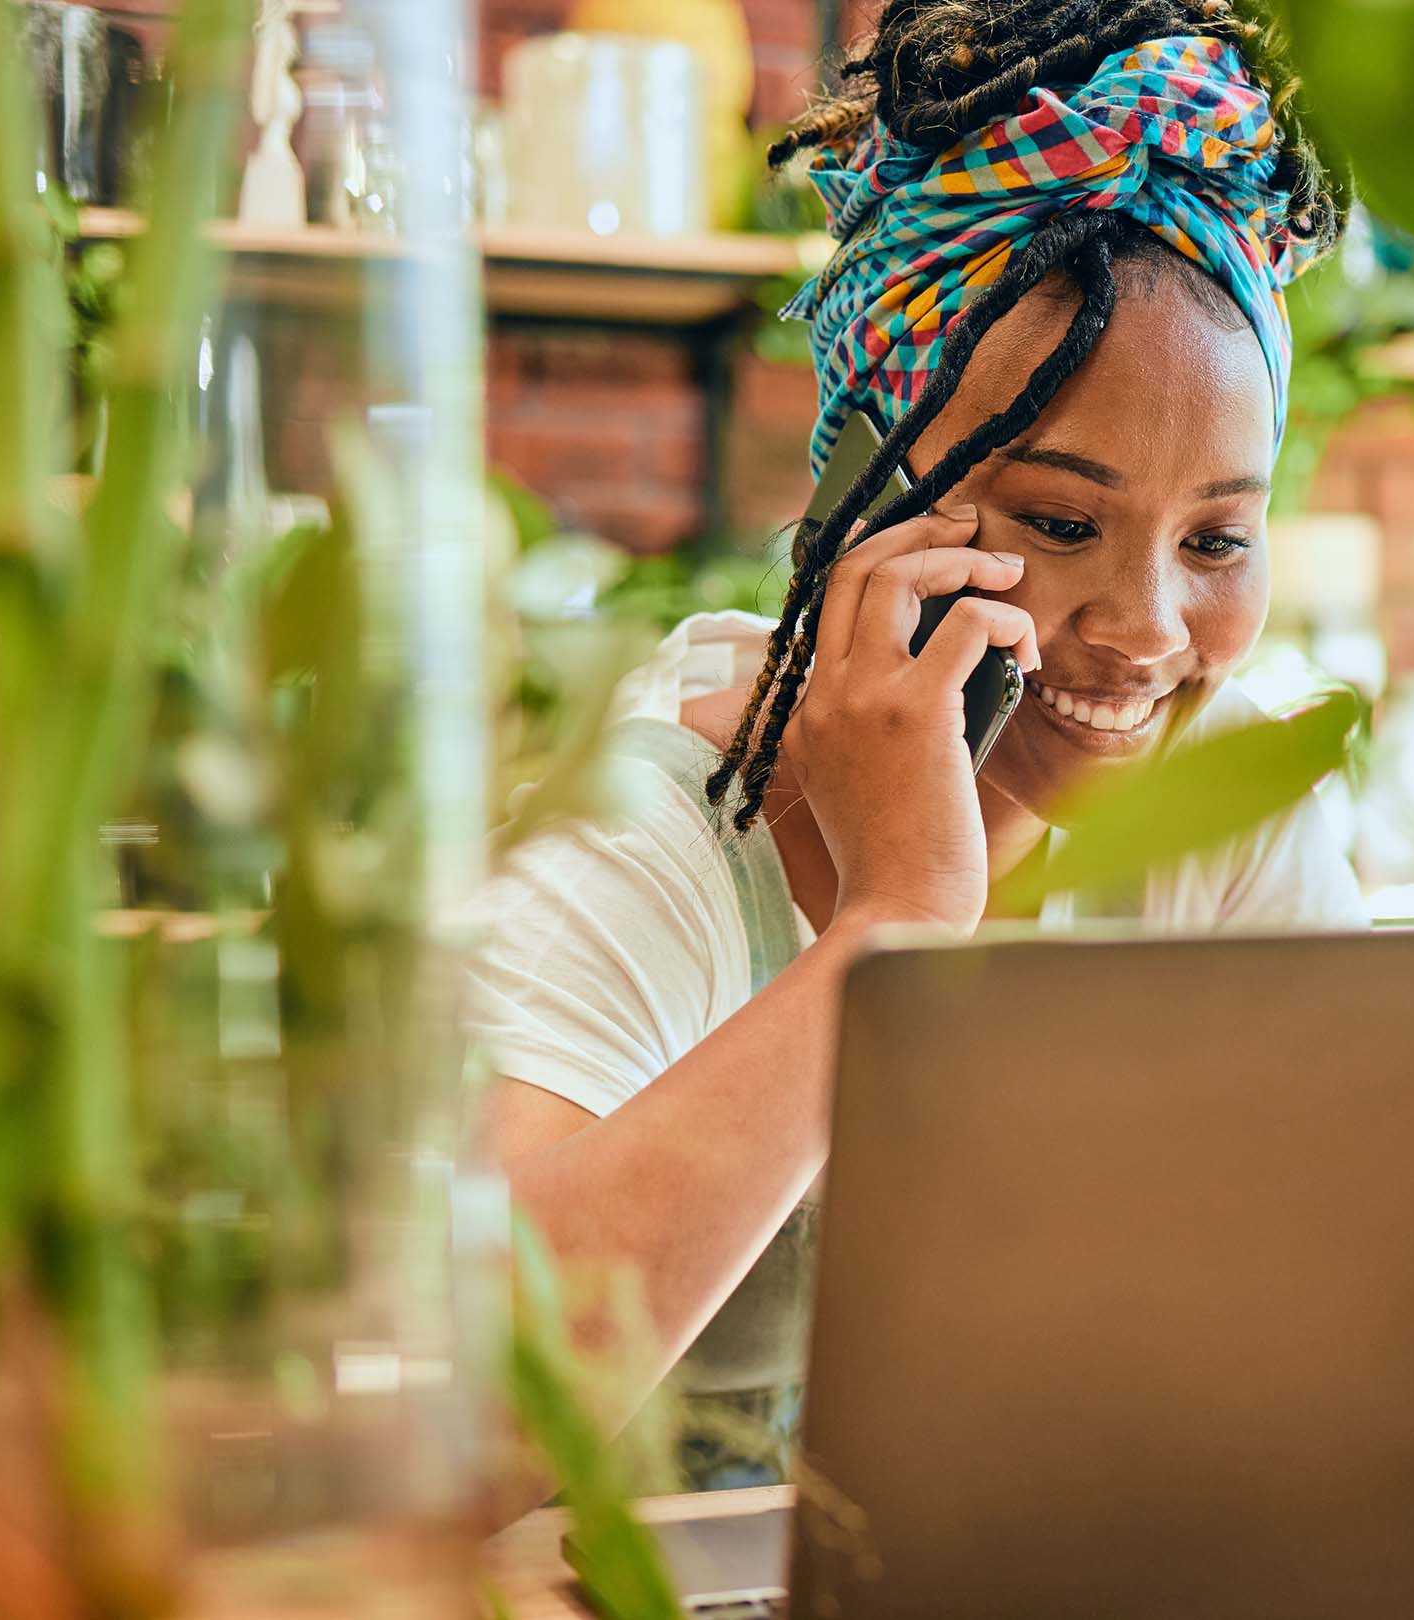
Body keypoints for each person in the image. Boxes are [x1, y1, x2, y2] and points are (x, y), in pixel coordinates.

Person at [468, 0, 1358, 1476]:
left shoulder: (1231, 799)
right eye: (1063, 523)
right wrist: (889, 928)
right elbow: (471, 1420)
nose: (1146, 627)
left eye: (1218, 538)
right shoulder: (662, 835)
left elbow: (1354, 1301)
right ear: (864, 509)